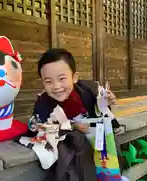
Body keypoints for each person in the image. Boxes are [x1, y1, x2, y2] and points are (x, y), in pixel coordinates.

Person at [22, 48, 122, 181]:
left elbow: (103, 110)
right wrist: (73, 125)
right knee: (75, 141)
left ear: (74, 77)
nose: (56, 86)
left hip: (98, 136)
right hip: (75, 147)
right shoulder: (43, 104)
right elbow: (38, 127)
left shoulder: (89, 90)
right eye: (48, 81)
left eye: (62, 79)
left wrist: (107, 101)